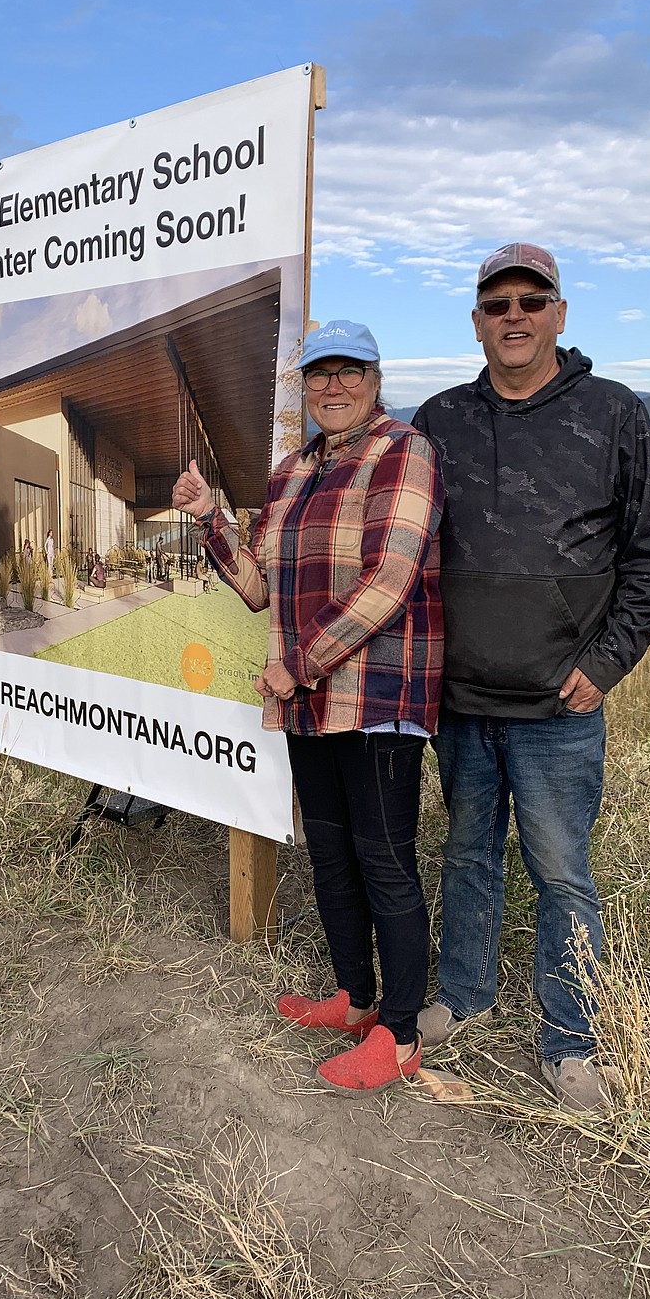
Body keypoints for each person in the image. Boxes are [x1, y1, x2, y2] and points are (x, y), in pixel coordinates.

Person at [412, 243, 650, 1112]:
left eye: (533, 300)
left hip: (560, 706)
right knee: (466, 854)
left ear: (561, 314)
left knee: (563, 873)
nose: (515, 315)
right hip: (462, 701)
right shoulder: (439, 420)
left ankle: (571, 1041)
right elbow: (404, 548)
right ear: (478, 321)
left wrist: (603, 665)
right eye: (498, 304)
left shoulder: (613, 413)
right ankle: (462, 993)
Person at [174, 321, 444, 1093]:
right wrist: (207, 520)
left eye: (348, 372)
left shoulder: (404, 452)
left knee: (385, 863)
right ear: (304, 387)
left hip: (379, 698)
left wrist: (298, 665)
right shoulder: (290, 472)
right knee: (330, 854)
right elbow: (260, 586)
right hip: (307, 701)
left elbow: (389, 583)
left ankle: (397, 1034)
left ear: (374, 377)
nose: (333, 387)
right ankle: (355, 999)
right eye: (318, 375)